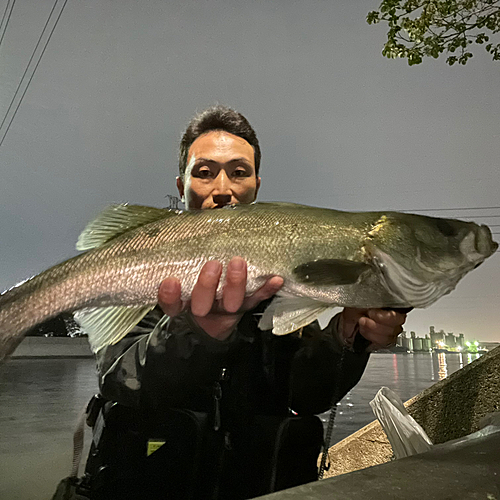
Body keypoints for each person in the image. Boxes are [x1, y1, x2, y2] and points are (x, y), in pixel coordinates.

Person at [80, 105, 407, 500]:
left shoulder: (280, 283)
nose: (223, 189)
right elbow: (122, 381)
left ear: (256, 186)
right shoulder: (138, 274)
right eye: (204, 172)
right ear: (181, 186)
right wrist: (200, 331)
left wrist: (346, 339)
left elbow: (304, 393)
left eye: (239, 172)